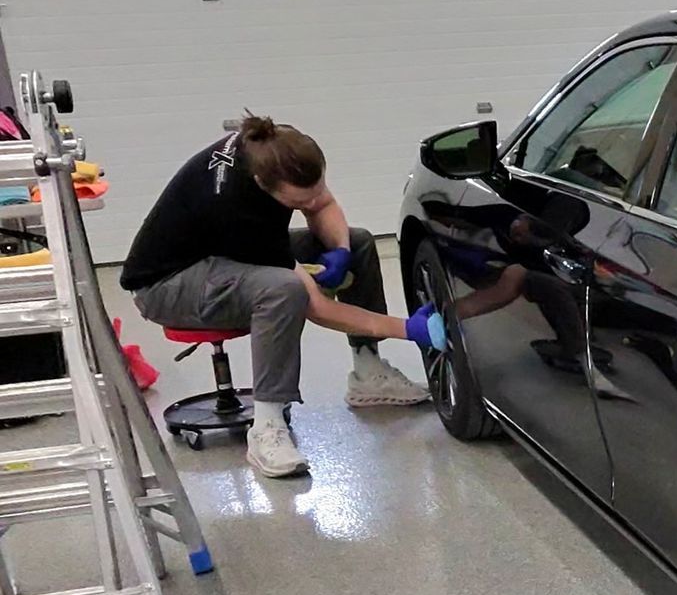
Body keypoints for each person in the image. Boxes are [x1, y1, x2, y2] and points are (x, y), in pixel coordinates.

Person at [121, 115, 444, 480]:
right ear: (264, 186)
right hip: (168, 285)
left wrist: (339, 250)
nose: (308, 200)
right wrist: (408, 328)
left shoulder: (275, 148)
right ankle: (267, 427)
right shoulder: (238, 208)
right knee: (283, 290)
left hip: (217, 254)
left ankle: (368, 370)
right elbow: (317, 308)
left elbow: (321, 205)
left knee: (360, 241)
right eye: (297, 201)